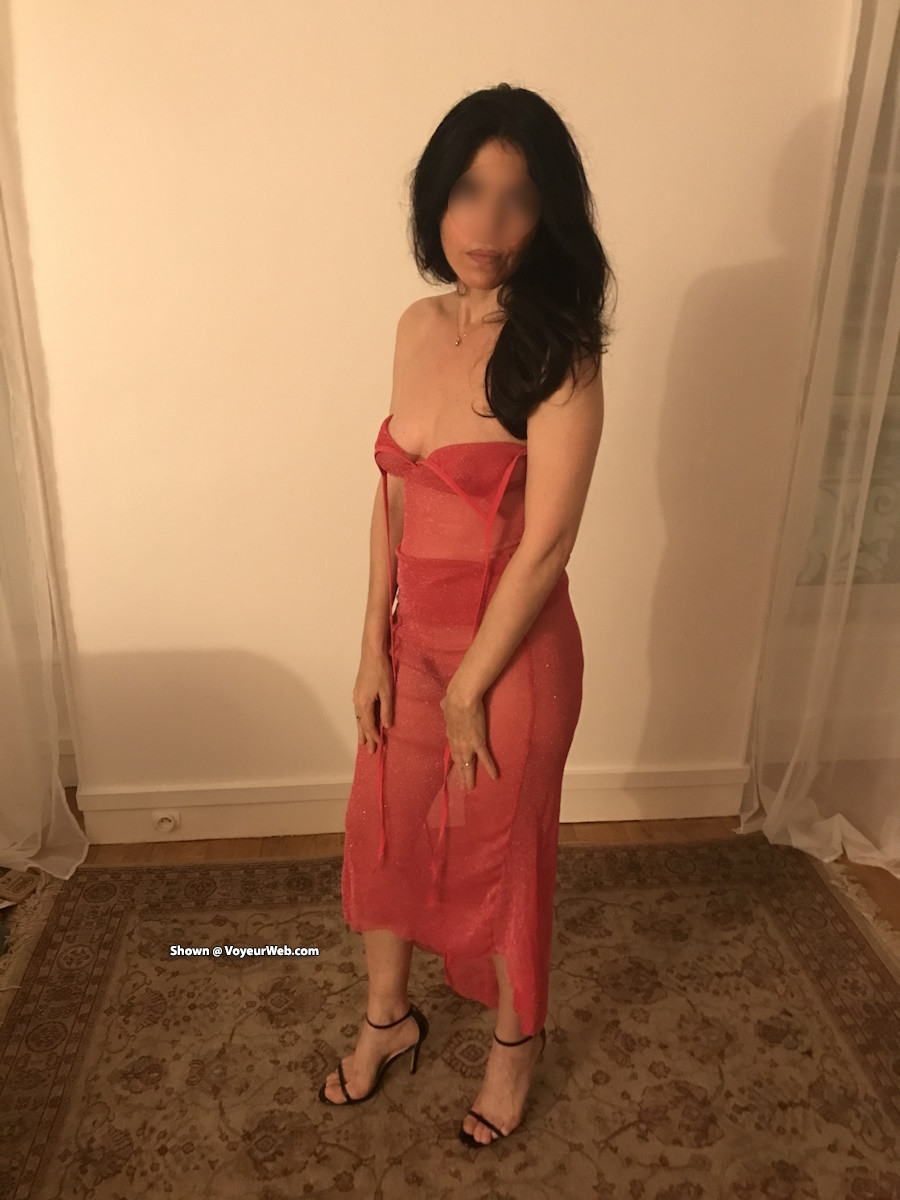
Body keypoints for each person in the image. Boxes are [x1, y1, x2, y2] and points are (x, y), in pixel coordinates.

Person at [319, 83, 615, 1148]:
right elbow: (393, 495)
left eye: (518, 198)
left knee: (505, 855)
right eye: (468, 191)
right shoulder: (416, 326)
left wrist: (468, 688)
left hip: (515, 658)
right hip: (413, 648)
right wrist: (372, 647)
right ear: (435, 200)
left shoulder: (560, 351)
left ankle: (514, 1044)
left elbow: (548, 547)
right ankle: (387, 1020)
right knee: (388, 831)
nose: (487, 223)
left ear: (550, 214)